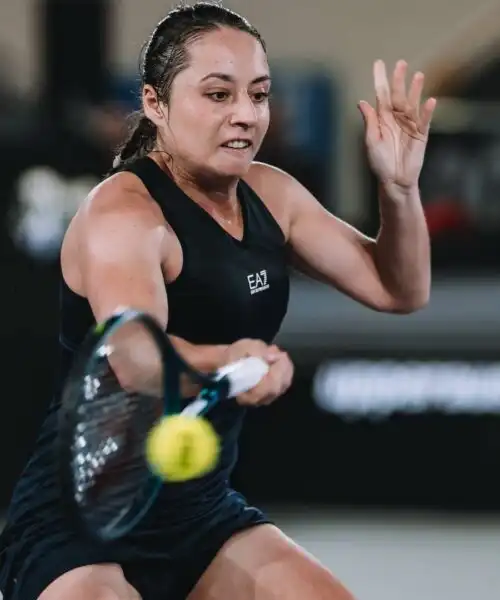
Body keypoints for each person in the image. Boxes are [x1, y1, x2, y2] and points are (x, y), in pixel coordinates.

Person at [0, 3, 435, 599]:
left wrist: (400, 189)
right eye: (217, 94)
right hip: (78, 526)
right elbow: (132, 356)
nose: (245, 115)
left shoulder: (272, 195)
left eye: (259, 95)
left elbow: (398, 289)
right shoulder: (123, 214)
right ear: (155, 103)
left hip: (198, 517)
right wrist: (226, 360)